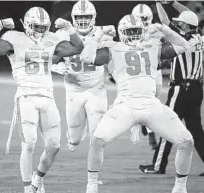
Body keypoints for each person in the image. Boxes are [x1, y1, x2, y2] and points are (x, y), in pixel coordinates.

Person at [80, 14, 195, 193]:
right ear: (122, 32)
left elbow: (184, 45)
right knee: (97, 140)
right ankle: (92, 185)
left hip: (151, 104)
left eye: (136, 31)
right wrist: (98, 34)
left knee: (186, 142)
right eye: (130, 31)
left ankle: (180, 188)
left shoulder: (151, 46)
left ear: (142, 31)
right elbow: (85, 58)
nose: (134, 35)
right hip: (125, 104)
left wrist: (164, 29)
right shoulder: (113, 48)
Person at [0, 6, 83, 193]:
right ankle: (28, 188)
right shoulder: (15, 38)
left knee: (54, 146)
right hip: (26, 96)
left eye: (44, 27)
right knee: (29, 143)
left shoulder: (51, 39)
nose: (42, 31)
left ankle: (38, 178)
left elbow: (78, 47)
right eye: (37, 27)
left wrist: (70, 28)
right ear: (28, 25)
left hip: (48, 96)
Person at [139, 0, 204, 177]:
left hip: (180, 90)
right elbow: (193, 19)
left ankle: (157, 165)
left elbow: (165, 23)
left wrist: (159, 2)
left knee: (167, 126)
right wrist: (174, 2)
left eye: (181, 23)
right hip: (197, 90)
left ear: (186, 25)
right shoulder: (199, 35)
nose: (179, 24)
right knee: (196, 130)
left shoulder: (183, 39)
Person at [53, 0, 115, 153]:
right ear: (73, 18)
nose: (82, 20)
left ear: (93, 17)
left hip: (96, 89)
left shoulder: (103, 34)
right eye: (79, 17)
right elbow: (46, 58)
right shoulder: (62, 34)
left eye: (86, 16)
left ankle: (93, 173)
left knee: (98, 136)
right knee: (74, 139)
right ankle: (74, 139)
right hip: (74, 90)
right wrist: (54, 66)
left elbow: (111, 60)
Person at [131, 3, 164, 150]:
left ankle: (144, 123)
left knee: (155, 100)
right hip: (142, 72)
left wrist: (163, 59)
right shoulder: (129, 31)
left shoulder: (156, 30)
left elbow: (167, 45)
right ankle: (150, 132)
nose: (143, 21)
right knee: (148, 101)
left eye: (144, 18)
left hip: (155, 71)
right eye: (139, 18)